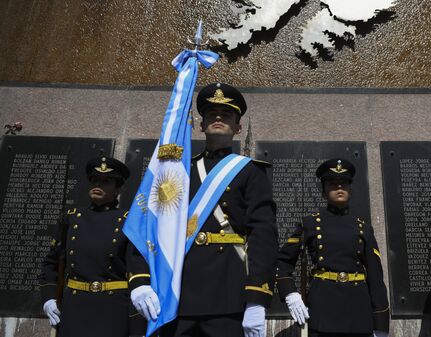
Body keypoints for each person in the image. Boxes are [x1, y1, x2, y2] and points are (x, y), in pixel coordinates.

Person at [127, 82, 278, 337]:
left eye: (227, 114)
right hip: (178, 293)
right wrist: (140, 281)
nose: (218, 118)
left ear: (238, 127)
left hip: (227, 295)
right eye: (211, 114)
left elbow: (263, 234)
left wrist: (256, 297)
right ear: (201, 124)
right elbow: (151, 223)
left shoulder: (250, 172)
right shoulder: (177, 170)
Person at [276, 158, 390, 337]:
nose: (339, 187)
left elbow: (376, 279)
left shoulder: (364, 228)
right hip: (323, 312)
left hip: (358, 314)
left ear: (350, 190)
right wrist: (290, 293)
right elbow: (283, 262)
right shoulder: (310, 223)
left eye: (344, 183)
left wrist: (381, 326)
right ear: (323, 192)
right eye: (332, 184)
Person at [39, 156, 135, 337]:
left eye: (106, 182)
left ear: (118, 189)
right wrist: (49, 297)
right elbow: (51, 262)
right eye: (94, 180)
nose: (97, 185)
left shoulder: (128, 221)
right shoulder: (72, 218)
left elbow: (135, 266)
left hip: (112, 310)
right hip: (74, 308)